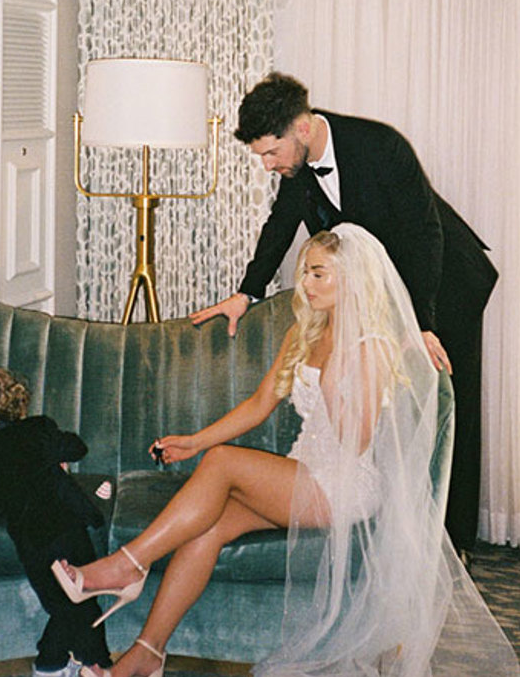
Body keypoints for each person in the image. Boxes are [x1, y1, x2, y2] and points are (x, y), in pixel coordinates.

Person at [35, 225, 520, 677]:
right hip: (302, 474)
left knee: (222, 466)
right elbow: (262, 402)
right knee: (206, 528)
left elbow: (355, 442)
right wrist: (194, 440)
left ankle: (126, 567)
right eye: (305, 271)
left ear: (353, 280)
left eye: (319, 274)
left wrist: (340, 381)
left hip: (342, 486)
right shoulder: (305, 332)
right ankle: (146, 655)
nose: (306, 283)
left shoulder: (373, 347)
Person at [190, 72, 497, 566]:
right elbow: (280, 227)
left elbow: (424, 234)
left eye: (271, 153)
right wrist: (246, 293)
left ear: (303, 130)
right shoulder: (300, 170)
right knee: (387, 409)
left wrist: (421, 322)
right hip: (386, 290)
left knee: (443, 405)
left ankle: (451, 545)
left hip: (445, 283)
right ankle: (390, 532)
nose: (268, 165)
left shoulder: (380, 146)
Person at [0, 362, 123, 677]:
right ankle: (100, 675)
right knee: (81, 600)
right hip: (65, 528)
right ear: (17, 400)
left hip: (30, 542)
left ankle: (49, 668)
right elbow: (77, 447)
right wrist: (56, 458)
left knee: (60, 603)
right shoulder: (38, 429)